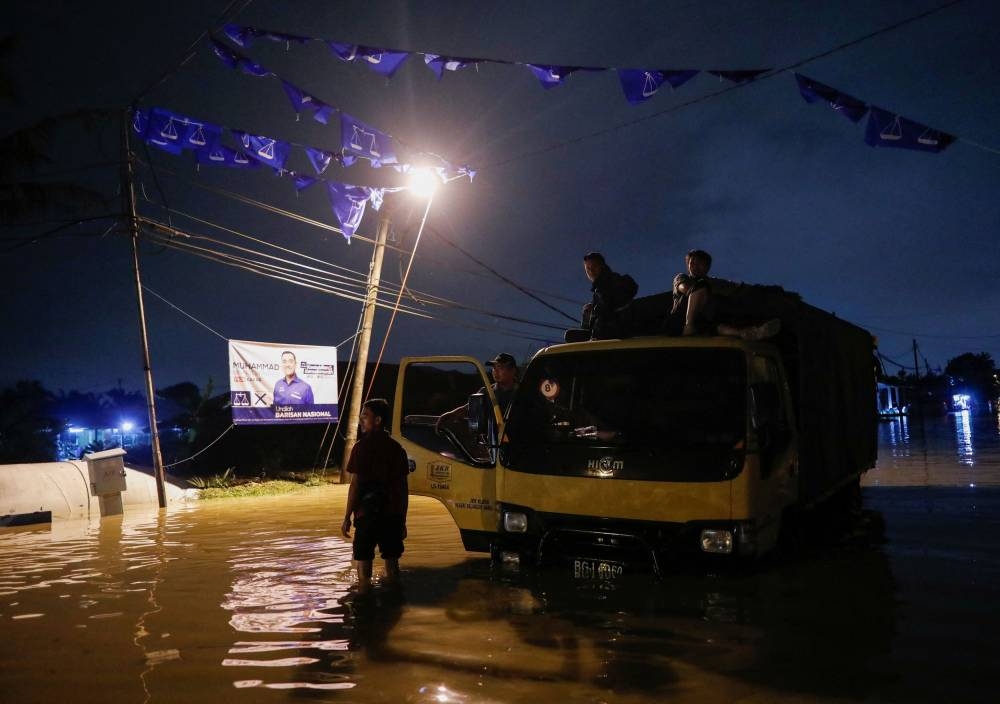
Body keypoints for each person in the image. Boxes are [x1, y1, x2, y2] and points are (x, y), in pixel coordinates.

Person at [341, 398, 409, 593]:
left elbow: (355, 485)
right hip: (392, 516)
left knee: (363, 573)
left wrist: (347, 517)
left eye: (365, 416)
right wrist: (402, 520)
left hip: (367, 516)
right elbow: (402, 490)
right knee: (393, 569)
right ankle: (394, 604)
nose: (361, 421)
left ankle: (365, 610)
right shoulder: (397, 449)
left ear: (378, 420)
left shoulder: (361, 448)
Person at [668, 249, 780, 340]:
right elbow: (685, 288)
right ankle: (689, 327)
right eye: (691, 263)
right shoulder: (683, 278)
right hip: (679, 320)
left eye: (698, 263)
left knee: (718, 323)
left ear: (706, 267)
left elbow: (733, 287)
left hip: (702, 321)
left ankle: (749, 333)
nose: (693, 266)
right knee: (702, 287)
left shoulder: (712, 282)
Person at [566, 252, 638, 342]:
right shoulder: (599, 288)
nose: (591, 271)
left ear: (602, 266)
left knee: (570, 336)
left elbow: (612, 310)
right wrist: (591, 312)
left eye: (594, 267)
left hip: (614, 334)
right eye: (588, 269)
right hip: (604, 334)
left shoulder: (611, 281)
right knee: (571, 335)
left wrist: (597, 311)